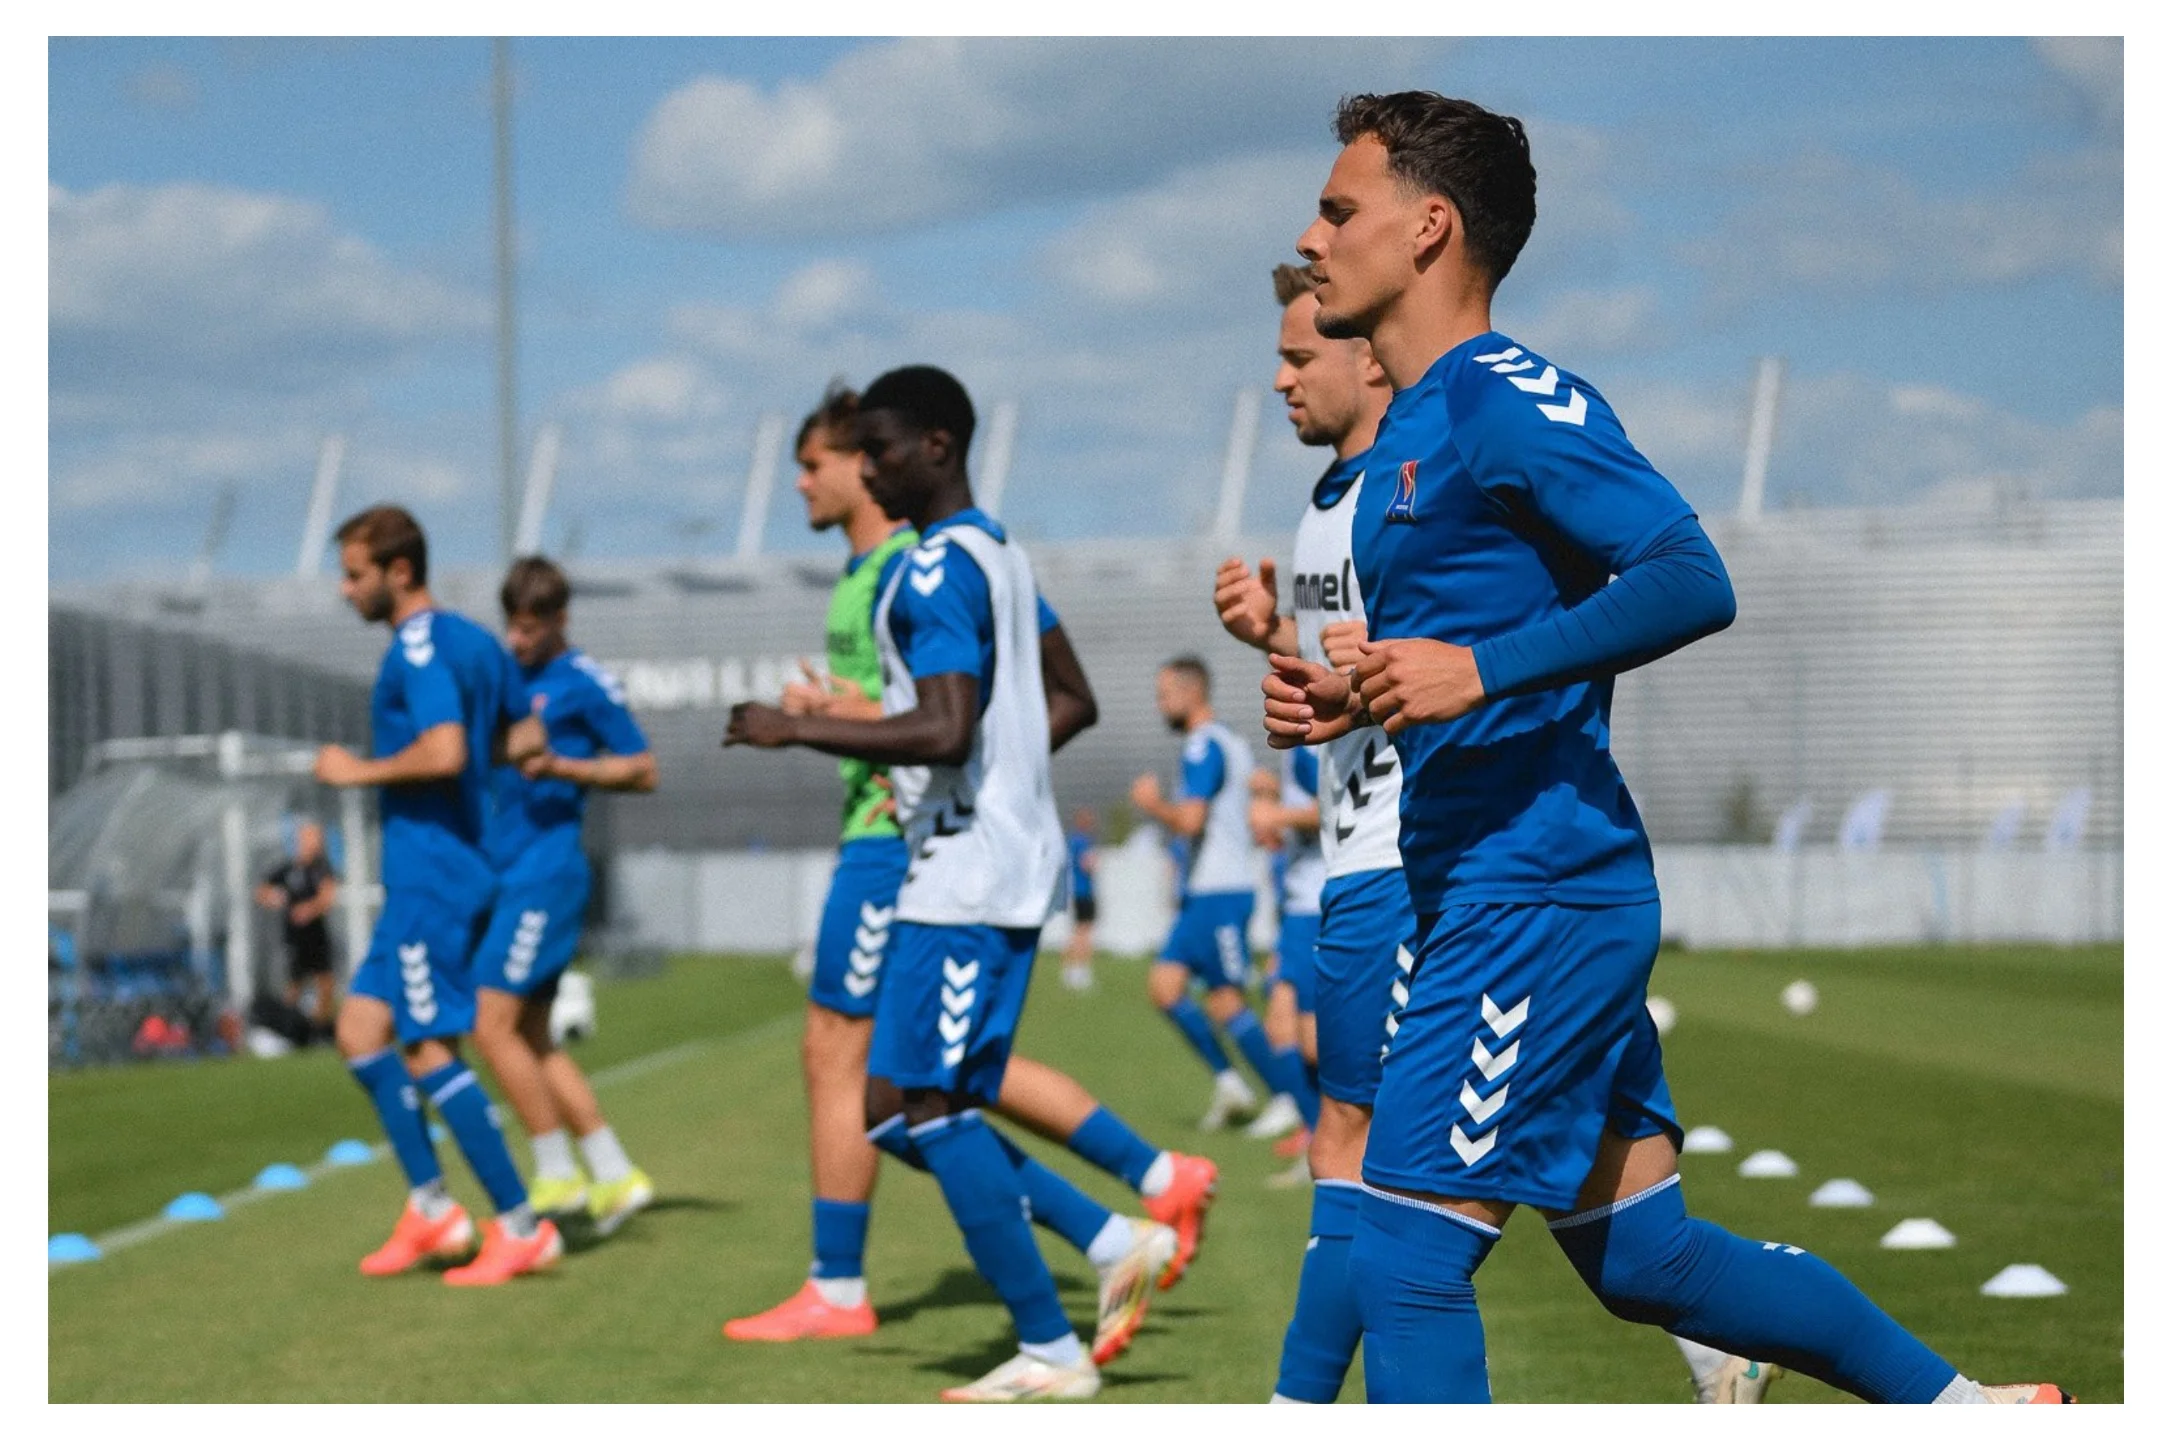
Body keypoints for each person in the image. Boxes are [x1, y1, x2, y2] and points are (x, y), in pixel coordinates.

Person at [1263, 89, 2072, 1405]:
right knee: (1649, 1260)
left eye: (1338, 208)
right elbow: (1485, 639)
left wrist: (1475, 671)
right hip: (1484, 881)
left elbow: (1689, 574)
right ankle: (1968, 1412)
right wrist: (1360, 693)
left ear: (1428, 228)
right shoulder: (1410, 424)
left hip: (1535, 892)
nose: (1313, 235)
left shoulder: (1500, 395)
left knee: (1403, 1254)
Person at [724, 372, 1213, 1397]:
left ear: (937, 447)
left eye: (880, 449)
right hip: (957, 867)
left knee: (935, 1111)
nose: (867, 469)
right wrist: (1002, 773)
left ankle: (1051, 1347)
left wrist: (797, 727)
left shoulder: (939, 568)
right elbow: (1065, 699)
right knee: (894, 1108)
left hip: (968, 879)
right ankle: (1114, 1236)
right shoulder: (1001, 555)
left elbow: (946, 728)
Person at [312, 504, 560, 1286]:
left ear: (399, 571)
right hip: (441, 869)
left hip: (434, 875)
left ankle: (519, 1224)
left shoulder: (417, 646)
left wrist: (358, 771)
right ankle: (432, 1209)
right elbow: (528, 738)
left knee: (427, 1048)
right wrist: (474, 760)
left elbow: (446, 749)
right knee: (360, 1030)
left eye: (354, 575)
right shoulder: (475, 641)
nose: (346, 590)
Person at [470, 555, 658, 1235]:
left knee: (489, 1024)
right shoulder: (502, 675)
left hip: (544, 875)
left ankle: (555, 1175)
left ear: (560, 620)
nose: (517, 640)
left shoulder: (584, 682)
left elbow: (643, 769)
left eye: (530, 628)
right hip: (504, 871)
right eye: (511, 626)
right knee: (530, 1037)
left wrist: (563, 767)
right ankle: (615, 1175)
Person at [1131, 657, 1300, 1133]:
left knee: (1227, 1002)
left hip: (1221, 891)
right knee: (1165, 987)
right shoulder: (1226, 739)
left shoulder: (1203, 744)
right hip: (1206, 891)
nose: (1160, 705)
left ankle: (1289, 1097)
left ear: (1192, 693)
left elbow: (1191, 821)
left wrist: (1152, 805)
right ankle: (1230, 1083)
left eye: (1165, 695)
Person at [1247, 752, 1323, 1183]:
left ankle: (1340, 1146)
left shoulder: (1317, 740)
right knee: (1280, 1030)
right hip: (1299, 906)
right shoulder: (1296, 748)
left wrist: (1275, 813)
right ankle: (1318, 1143)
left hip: (1321, 902)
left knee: (1313, 1047)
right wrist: (1276, 806)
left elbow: (1337, 808)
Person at [255, 820, 339, 1027]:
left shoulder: (322, 869)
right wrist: (273, 898)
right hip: (295, 937)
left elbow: (327, 896)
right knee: (295, 983)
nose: (314, 842)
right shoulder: (288, 869)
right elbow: (262, 892)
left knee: (325, 982)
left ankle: (320, 1026)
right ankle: (288, 1025)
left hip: (317, 935)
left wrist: (309, 909)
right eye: (310, 837)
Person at [1061, 807, 1101, 991]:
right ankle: (1080, 970)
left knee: (1077, 931)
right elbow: (1087, 864)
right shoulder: (1083, 842)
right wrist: (1095, 862)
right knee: (1084, 932)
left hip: (1076, 891)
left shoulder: (1071, 841)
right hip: (1085, 891)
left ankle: (1069, 969)